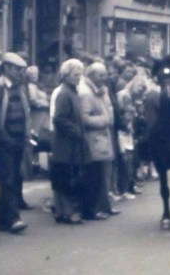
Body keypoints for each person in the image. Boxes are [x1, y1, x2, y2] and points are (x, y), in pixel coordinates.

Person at [0, 52, 31, 234]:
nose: (21, 73)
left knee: (13, 179)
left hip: (18, 140)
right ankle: (13, 219)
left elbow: (25, 111)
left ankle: (4, 221)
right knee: (8, 179)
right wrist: (5, 139)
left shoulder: (19, 87)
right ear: (7, 68)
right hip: (3, 143)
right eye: (18, 69)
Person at [50, 59, 88, 225]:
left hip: (69, 142)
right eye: (75, 75)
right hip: (65, 144)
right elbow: (59, 118)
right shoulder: (65, 93)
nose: (78, 78)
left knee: (64, 178)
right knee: (66, 178)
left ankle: (61, 211)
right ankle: (68, 212)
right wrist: (76, 131)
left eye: (80, 75)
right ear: (65, 76)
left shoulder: (71, 91)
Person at [77, 62, 116, 221]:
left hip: (102, 137)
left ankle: (103, 206)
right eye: (101, 75)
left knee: (102, 175)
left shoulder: (100, 90)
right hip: (94, 139)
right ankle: (92, 210)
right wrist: (105, 120)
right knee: (94, 176)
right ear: (92, 76)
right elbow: (84, 118)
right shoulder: (86, 93)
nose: (104, 78)